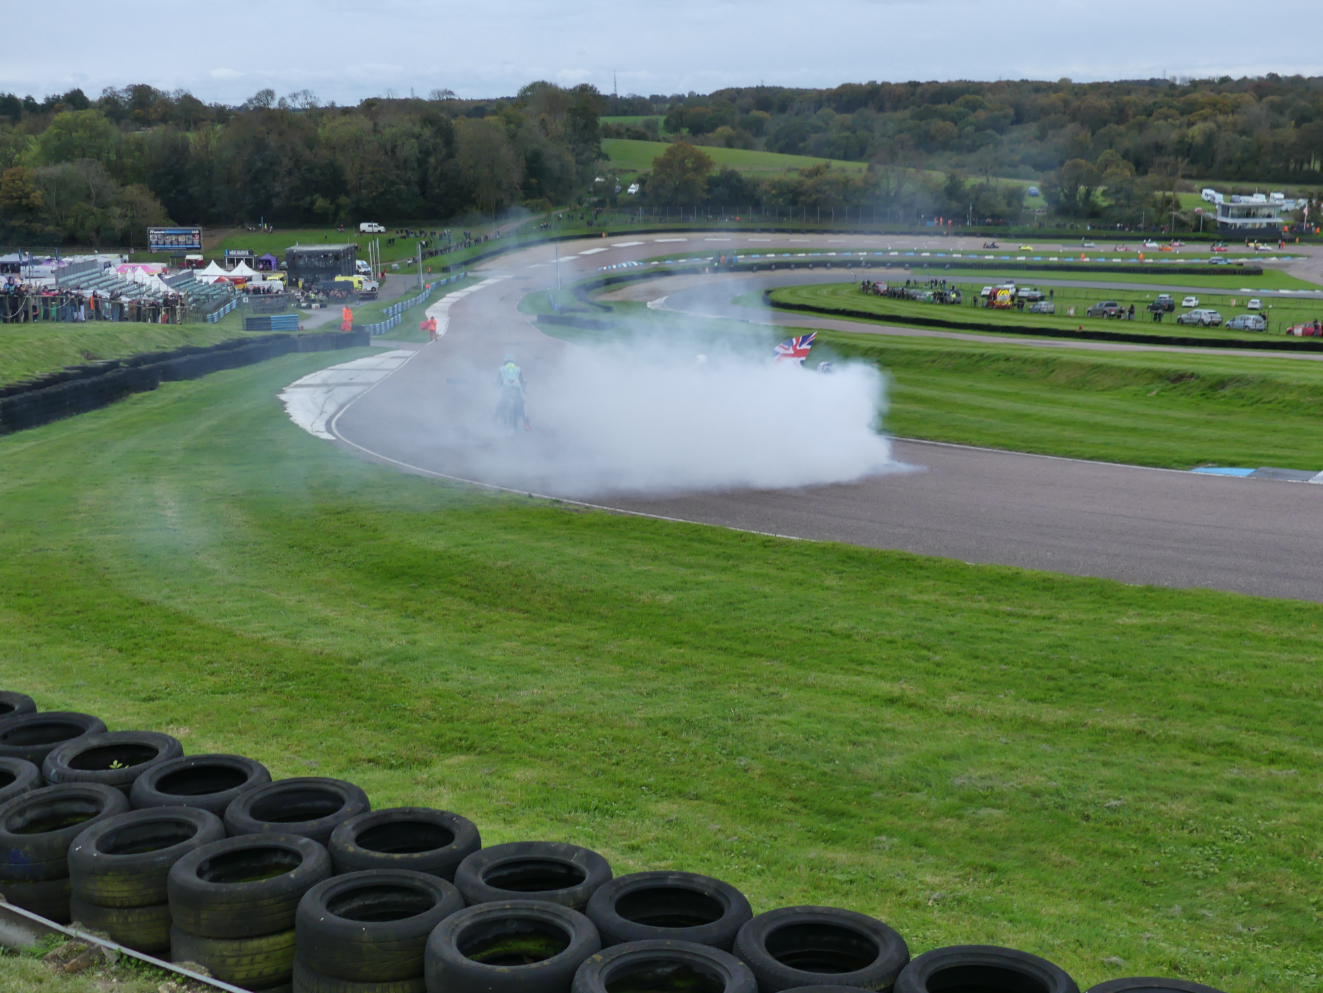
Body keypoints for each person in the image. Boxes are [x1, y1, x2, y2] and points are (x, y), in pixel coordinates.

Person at [496, 354, 529, 431]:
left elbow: (496, 381)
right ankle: (526, 425)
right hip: (517, 390)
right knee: (523, 406)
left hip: (505, 389)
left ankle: (493, 423)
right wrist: (524, 389)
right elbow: (523, 381)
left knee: (497, 404)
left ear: (505, 362)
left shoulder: (501, 368)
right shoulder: (518, 369)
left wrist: (493, 386)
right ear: (514, 362)